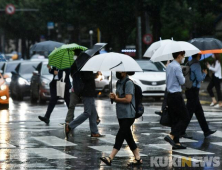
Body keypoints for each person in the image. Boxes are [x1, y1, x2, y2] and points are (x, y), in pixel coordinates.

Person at [100, 72, 142, 167]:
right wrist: (113, 97)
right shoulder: (118, 82)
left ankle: (110, 158)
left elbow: (128, 99)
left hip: (129, 114)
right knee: (128, 137)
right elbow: (119, 97)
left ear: (124, 72)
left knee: (120, 135)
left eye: (119, 70)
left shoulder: (129, 83)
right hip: (121, 114)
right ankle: (138, 158)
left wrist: (116, 99)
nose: (117, 72)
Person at [182, 54, 216, 138]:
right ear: (198, 56)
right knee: (189, 112)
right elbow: (199, 78)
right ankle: (181, 131)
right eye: (200, 55)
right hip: (193, 90)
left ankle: (206, 130)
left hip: (189, 89)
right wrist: (204, 74)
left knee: (199, 112)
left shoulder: (188, 63)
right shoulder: (196, 65)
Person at [64, 70, 104, 138]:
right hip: (87, 92)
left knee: (93, 113)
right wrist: (96, 74)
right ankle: (70, 126)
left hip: (89, 92)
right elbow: (86, 77)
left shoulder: (85, 65)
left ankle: (94, 132)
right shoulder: (85, 67)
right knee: (87, 112)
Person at [164, 51, 190, 149]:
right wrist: (183, 75)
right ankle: (171, 135)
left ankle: (176, 143)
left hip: (170, 95)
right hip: (176, 95)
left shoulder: (169, 66)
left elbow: (167, 81)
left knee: (175, 119)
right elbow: (182, 81)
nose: (183, 58)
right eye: (183, 56)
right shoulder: (177, 67)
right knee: (185, 117)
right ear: (179, 56)